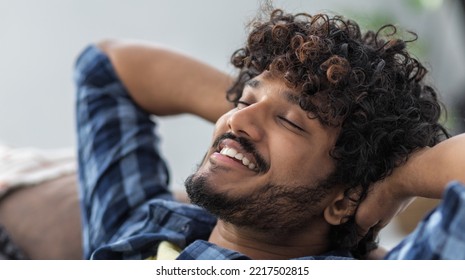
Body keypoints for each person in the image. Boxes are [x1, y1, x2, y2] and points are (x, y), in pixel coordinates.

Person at [74, 7, 465, 260]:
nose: (234, 120)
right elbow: (105, 67)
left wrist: (396, 178)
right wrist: (255, 115)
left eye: (292, 123)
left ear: (343, 200)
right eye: (243, 101)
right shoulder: (137, 227)